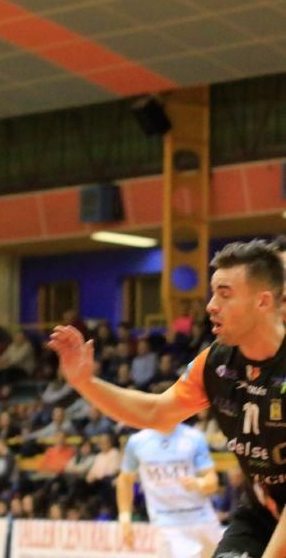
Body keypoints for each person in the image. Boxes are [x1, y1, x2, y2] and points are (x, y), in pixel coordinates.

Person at [48, 239, 285, 558]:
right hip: (261, 512)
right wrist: (85, 382)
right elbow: (156, 412)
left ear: (263, 301)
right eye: (213, 293)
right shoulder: (215, 362)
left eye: (225, 294)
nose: (211, 306)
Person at [118, 424, 224, 558]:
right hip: (167, 523)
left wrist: (199, 483)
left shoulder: (194, 437)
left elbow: (212, 481)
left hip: (203, 518)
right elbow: (125, 480)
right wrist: (125, 519)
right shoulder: (137, 441)